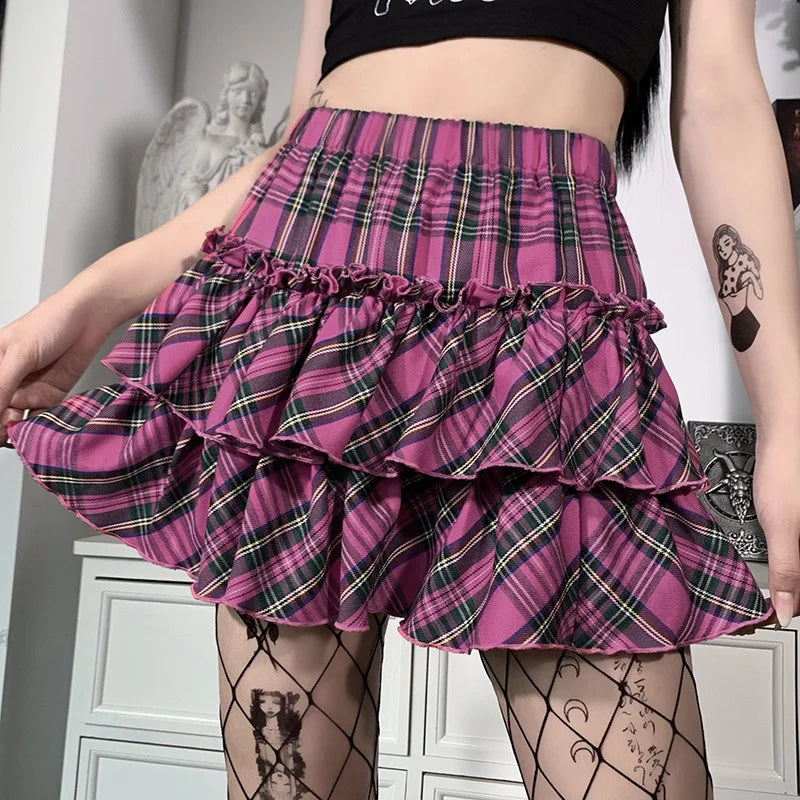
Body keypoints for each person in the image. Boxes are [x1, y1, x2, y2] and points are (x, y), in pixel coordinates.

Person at [1, 1, 798, 798]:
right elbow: (297, 138)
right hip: (316, 285)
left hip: (546, 295)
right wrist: (86, 305)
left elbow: (720, 104)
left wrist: (789, 421)